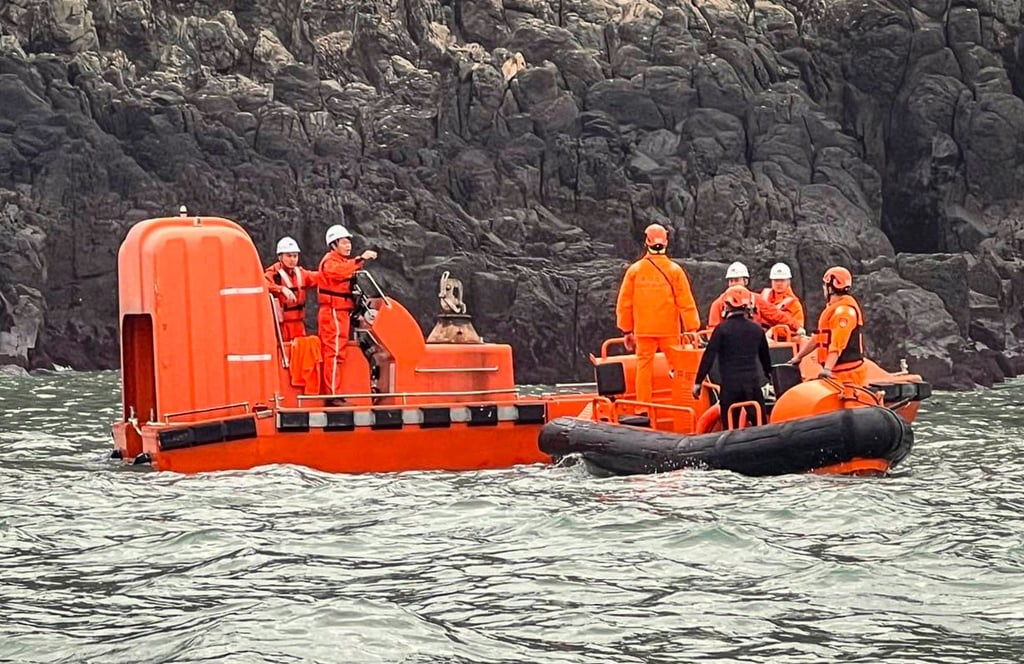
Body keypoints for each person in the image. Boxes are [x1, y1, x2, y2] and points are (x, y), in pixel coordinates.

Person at [616, 223, 701, 405]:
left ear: (646, 242)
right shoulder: (675, 270)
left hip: (644, 331)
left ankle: (643, 408)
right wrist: (692, 328)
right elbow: (685, 301)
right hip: (669, 330)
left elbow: (625, 303)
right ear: (666, 242)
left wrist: (626, 330)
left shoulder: (634, 271)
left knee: (643, 368)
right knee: (677, 368)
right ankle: (682, 404)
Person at [692, 285, 772, 429]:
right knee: (762, 427)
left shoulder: (721, 330)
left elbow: (709, 356)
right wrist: (770, 377)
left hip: (730, 387)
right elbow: (765, 358)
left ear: (726, 306)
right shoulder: (756, 330)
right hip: (752, 386)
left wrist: (698, 382)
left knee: (729, 429)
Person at [318, 224, 377, 404]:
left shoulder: (343, 262)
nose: (348, 246)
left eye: (349, 242)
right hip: (333, 313)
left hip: (341, 313)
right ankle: (332, 395)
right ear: (333, 245)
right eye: (344, 242)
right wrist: (361, 259)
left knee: (338, 352)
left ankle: (335, 392)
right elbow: (337, 273)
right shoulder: (330, 262)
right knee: (333, 352)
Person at [788, 266, 867, 385]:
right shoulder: (833, 308)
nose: (823, 288)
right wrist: (798, 357)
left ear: (831, 287)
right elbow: (819, 338)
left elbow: (838, 343)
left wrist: (827, 369)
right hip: (837, 372)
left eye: (825, 285)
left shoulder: (843, 312)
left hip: (848, 374)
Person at [706, 261, 801, 333]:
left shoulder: (755, 299)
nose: (734, 284)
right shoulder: (718, 303)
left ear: (745, 281)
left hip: (752, 342)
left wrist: (796, 326)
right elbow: (712, 328)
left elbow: (774, 314)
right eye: (731, 281)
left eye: (737, 280)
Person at [264, 236, 320, 342]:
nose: (292, 259)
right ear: (280, 257)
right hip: (281, 326)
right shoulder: (273, 274)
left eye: (295, 256)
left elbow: (319, 278)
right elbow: (263, 284)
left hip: (299, 325)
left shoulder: (301, 273)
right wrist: (281, 289)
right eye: (289, 256)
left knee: (301, 349)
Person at [760, 262, 805, 333]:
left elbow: (798, 328)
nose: (779, 283)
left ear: (788, 282)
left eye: (782, 280)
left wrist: (774, 331)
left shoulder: (794, 305)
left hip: (781, 338)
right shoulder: (763, 296)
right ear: (771, 281)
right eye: (776, 280)